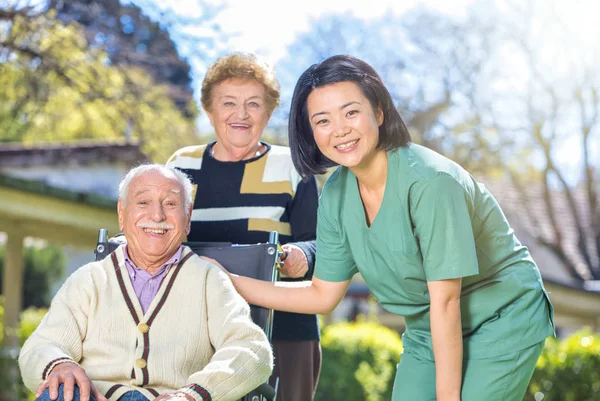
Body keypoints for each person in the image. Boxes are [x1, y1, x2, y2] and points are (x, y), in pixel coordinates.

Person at [208, 55, 555, 401]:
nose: (340, 129)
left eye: (351, 112)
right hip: (427, 327)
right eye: (322, 120)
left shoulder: (432, 182)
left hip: (501, 315)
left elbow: (446, 300)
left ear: (378, 111)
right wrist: (231, 282)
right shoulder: (337, 195)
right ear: (311, 132)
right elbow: (323, 295)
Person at [18, 164, 273, 401]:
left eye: (171, 203)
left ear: (187, 217)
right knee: (61, 390)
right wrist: (60, 364)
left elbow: (252, 349)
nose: (157, 215)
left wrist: (190, 395)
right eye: (143, 202)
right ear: (122, 213)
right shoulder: (89, 280)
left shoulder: (209, 281)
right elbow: (41, 346)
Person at [166, 52, 321, 401]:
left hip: (283, 330)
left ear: (267, 112)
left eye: (253, 104)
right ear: (209, 110)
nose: (241, 114)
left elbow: (323, 243)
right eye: (229, 103)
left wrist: (301, 255)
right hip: (196, 332)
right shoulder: (180, 165)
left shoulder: (294, 166)